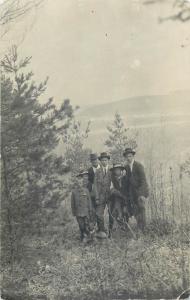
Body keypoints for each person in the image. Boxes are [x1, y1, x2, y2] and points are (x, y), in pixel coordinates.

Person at [123, 148, 149, 232]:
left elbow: (143, 181)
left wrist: (141, 194)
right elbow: (126, 182)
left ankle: (143, 229)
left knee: (141, 209)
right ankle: (139, 228)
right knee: (136, 210)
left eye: (130, 156)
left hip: (140, 192)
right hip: (132, 193)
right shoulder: (126, 167)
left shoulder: (138, 165)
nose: (128, 158)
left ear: (133, 156)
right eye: (127, 156)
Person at [71, 170, 93, 243]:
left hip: (86, 212)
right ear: (76, 183)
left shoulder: (86, 190)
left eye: (81, 182)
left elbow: (89, 201)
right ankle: (82, 235)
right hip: (78, 212)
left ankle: (89, 238)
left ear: (83, 183)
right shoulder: (74, 192)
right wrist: (74, 212)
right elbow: (72, 203)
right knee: (81, 225)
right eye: (78, 183)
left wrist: (90, 210)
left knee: (87, 225)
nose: (79, 184)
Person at [94, 152, 112, 238]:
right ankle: (102, 231)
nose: (104, 162)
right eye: (102, 160)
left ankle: (111, 231)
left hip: (110, 196)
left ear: (108, 160)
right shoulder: (97, 172)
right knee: (98, 213)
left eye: (105, 160)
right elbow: (96, 186)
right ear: (100, 161)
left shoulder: (112, 171)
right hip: (100, 196)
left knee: (111, 213)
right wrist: (97, 198)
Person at [109, 163, 129, 237]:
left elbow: (128, 190)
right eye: (115, 170)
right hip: (115, 200)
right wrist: (118, 193)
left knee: (125, 212)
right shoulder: (112, 179)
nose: (117, 171)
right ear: (114, 171)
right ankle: (115, 228)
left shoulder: (125, 178)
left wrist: (125, 197)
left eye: (118, 169)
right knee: (115, 211)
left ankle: (125, 227)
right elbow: (111, 190)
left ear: (121, 170)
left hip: (125, 200)